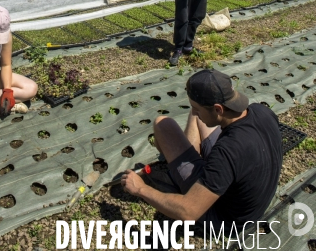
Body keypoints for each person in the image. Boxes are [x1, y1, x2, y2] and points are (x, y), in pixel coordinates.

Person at [121, 69, 283, 231]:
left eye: (196, 108)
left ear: (219, 109)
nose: (193, 112)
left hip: (227, 220)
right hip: (251, 199)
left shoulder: (226, 152)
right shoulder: (261, 111)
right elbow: (232, 149)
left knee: (162, 125)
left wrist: (140, 189)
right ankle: (191, 161)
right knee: (196, 118)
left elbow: (188, 212)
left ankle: (184, 170)